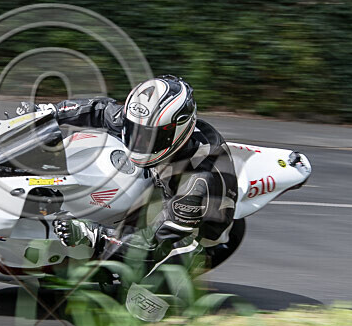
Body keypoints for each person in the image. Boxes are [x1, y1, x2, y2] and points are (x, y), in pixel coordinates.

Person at [17, 75, 238, 274]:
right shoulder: (145, 122)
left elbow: (154, 242)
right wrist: (50, 112)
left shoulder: (197, 183)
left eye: (148, 136)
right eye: (133, 130)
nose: (138, 141)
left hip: (193, 228)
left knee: (143, 297)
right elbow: (101, 110)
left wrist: (96, 235)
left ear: (176, 131)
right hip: (161, 178)